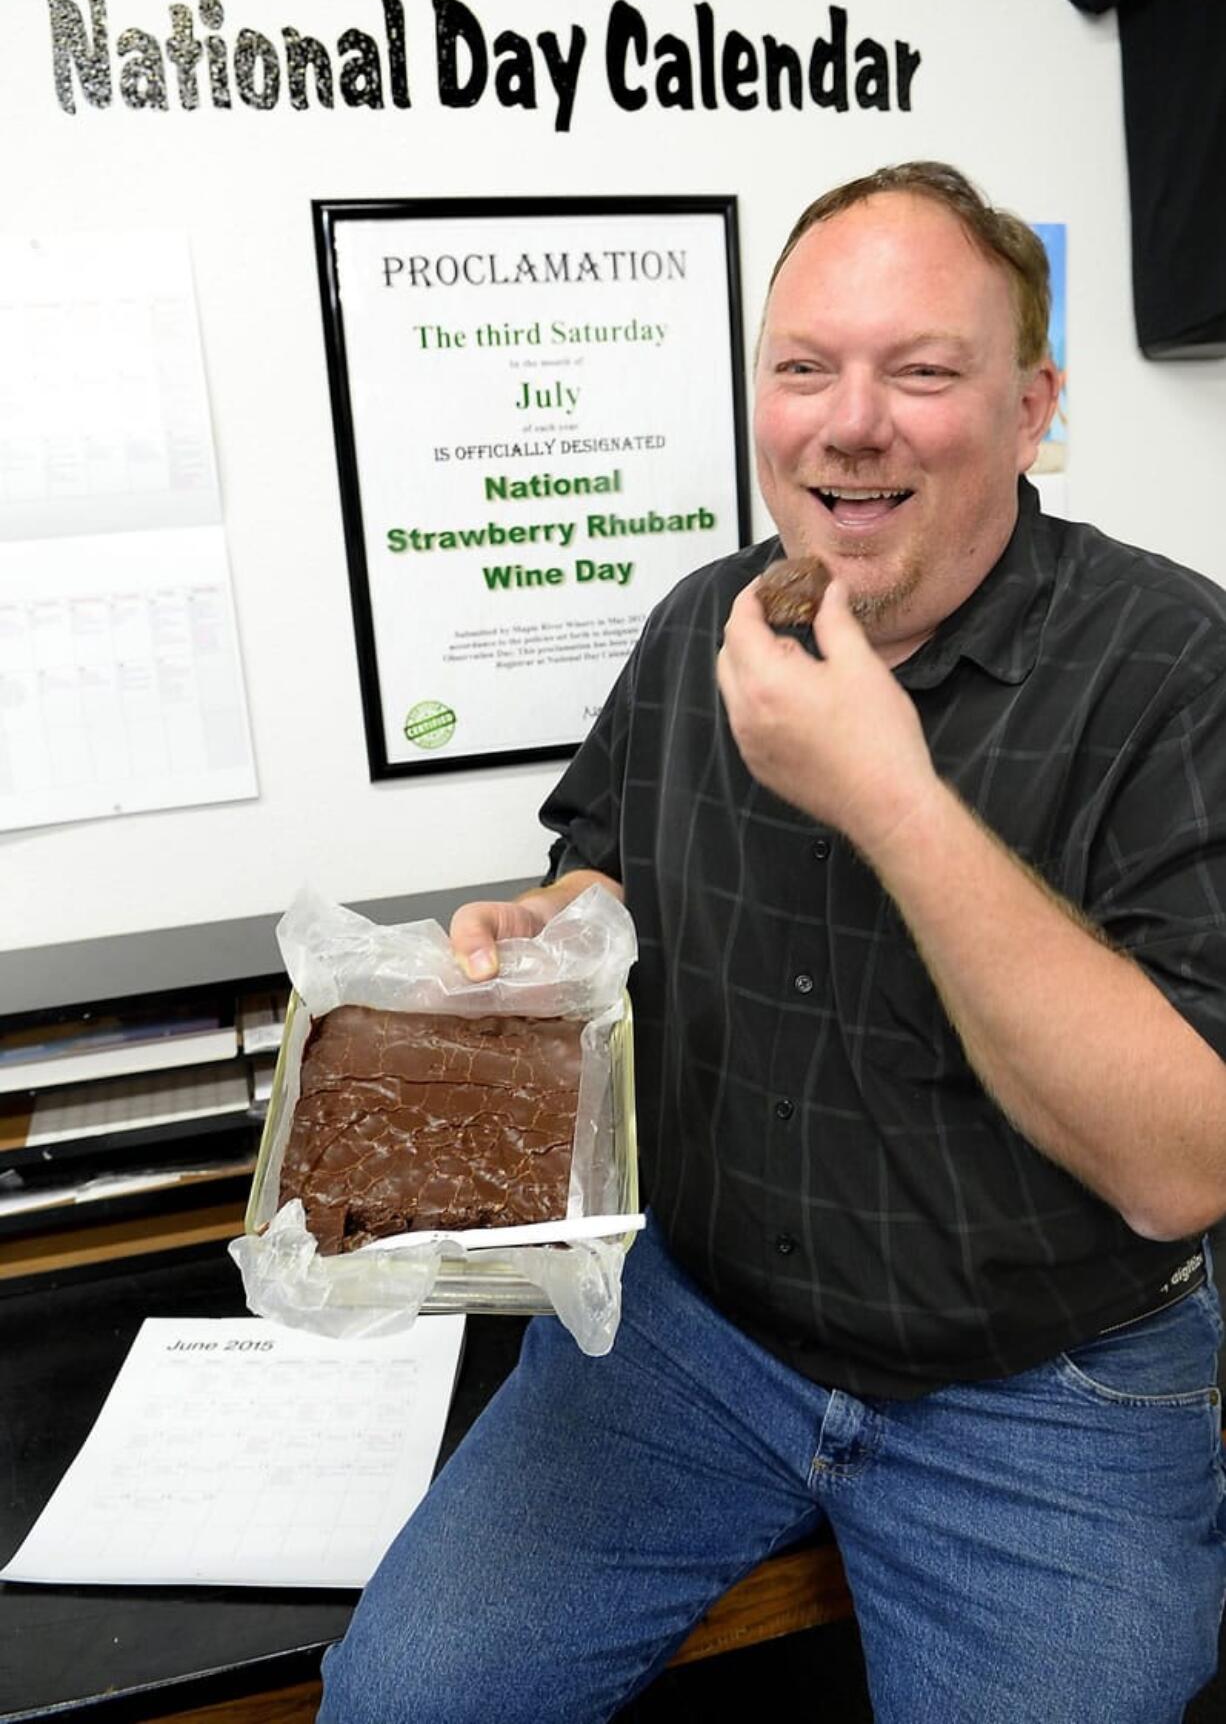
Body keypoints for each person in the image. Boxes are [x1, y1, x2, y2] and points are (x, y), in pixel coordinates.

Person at [318, 163, 1226, 1724]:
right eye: (802, 367)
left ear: (1029, 409)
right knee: (403, 1702)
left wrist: (890, 797)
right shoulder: (703, 622)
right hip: (694, 1335)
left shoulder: (1173, 668)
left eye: (922, 371)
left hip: (1043, 1387)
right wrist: (551, 929)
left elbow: (1181, 1165)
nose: (846, 421)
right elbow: (605, 860)